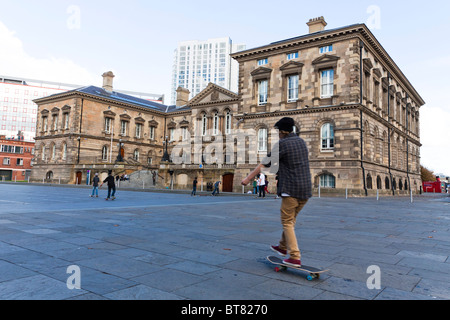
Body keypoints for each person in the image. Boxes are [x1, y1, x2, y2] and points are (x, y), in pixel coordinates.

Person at [241, 117, 312, 267]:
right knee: (291, 221)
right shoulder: (301, 142)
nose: (278, 134)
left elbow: (264, 163)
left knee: (287, 222)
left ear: (283, 131)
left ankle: (294, 256)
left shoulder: (283, 144)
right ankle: (282, 246)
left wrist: (248, 179)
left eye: (278, 131)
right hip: (305, 190)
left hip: (291, 189)